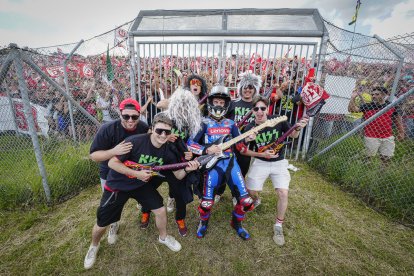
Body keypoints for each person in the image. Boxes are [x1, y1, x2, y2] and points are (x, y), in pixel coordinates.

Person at [84, 112, 200, 269]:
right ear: (152, 129)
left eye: (167, 132)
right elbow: (112, 163)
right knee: (102, 223)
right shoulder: (135, 142)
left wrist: (188, 169)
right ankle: (94, 246)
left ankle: (163, 237)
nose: (163, 135)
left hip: (140, 185)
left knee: (160, 210)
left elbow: (178, 176)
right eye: (159, 130)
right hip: (118, 184)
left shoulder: (168, 150)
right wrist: (136, 174)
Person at [187, 84, 255, 240]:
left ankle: (236, 223)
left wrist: (247, 139)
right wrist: (206, 150)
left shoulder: (231, 124)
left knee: (245, 200)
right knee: (206, 203)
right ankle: (203, 223)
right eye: (216, 102)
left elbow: (239, 146)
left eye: (221, 102)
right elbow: (190, 144)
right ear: (211, 102)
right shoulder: (203, 122)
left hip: (231, 163)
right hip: (212, 166)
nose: (218, 105)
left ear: (226, 104)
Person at [241, 95, 308, 246]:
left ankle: (278, 226)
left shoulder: (278, 120)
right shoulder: (249, 128)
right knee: (250, 191)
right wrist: (259, 152)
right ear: (252, 111)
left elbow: (293, 135)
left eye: (262, 108)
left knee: (283, 193)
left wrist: (297, 128)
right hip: (260, 161)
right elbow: (243, 151)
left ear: (267, 109)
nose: (259, 112)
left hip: (279, 162)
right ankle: (256, 200)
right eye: (256, 109)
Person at [140, 88, 202, 237]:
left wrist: (191, 154)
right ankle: (145, 212)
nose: (182, 109)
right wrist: (165, 136)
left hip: (177, 164)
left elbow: (194, 144)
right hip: (160, 161)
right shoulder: (164, 116)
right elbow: (149, 134)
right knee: (147, 188)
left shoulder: (191, 121)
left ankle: (180, 219)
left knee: (180, 195)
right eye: (180, 105)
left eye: (186, 105)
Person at [89, 98, 149, 246]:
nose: (130, 120)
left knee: (144, 193)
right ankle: (113, 224)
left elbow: (151, 141)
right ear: (120, 114)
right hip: (110, 173)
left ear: (139, 115)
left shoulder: (143, 127)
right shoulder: (107, 129)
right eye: (126, 116)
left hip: (134, 171)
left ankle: (143, 208)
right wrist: (113, 151)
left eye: (135, 117)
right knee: (112, 204)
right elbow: (94, 156)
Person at [215, 71, 262, 204]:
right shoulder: (233, 104)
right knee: (224, 167)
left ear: (254, 89)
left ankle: (236, 194)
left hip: (246, 145)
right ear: (240, 88)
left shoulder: (256, 107)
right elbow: (223, 121)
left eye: (250, 87)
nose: (247, 90)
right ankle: (219, 191)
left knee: (240, 171)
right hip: (230, 142)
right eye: (245, 87)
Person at [348, 86, 404, 165]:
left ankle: (382, 173)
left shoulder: (391, 106)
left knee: (386, 158)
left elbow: (398, 119)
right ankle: (365, 167)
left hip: (387, 135)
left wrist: (401, 132)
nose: (374, 96)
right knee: (368, 156)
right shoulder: (368, 106)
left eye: (377, 94)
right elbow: (351, 109)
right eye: (373, 94)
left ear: (384, 95)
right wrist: (352, 98)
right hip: (371, 135)